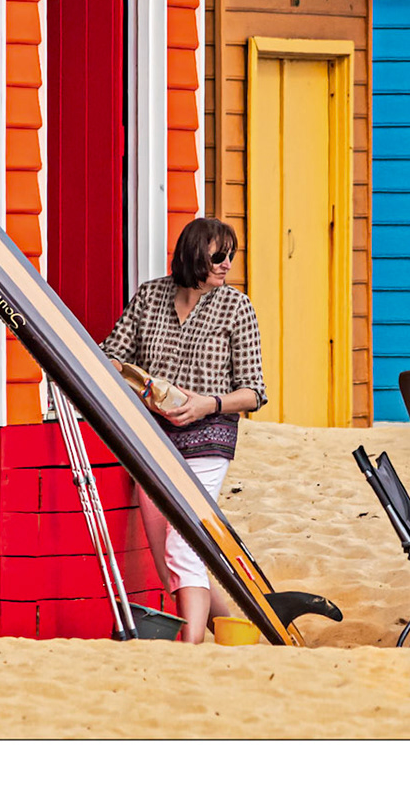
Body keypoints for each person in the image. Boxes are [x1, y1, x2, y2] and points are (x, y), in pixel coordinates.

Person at [102, 217, 266, 643]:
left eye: (231, 255)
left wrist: (208, 404)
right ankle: (232, 633)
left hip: (209, 439)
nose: (227, 263)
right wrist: (138, 386)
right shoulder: (149, 296)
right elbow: (109, 357)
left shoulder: (236, 307)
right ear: (193, 254)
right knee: (167, 560)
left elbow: (254, 392)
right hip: (152, 440)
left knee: (183, 544)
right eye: (218, 255)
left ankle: (189, 647)